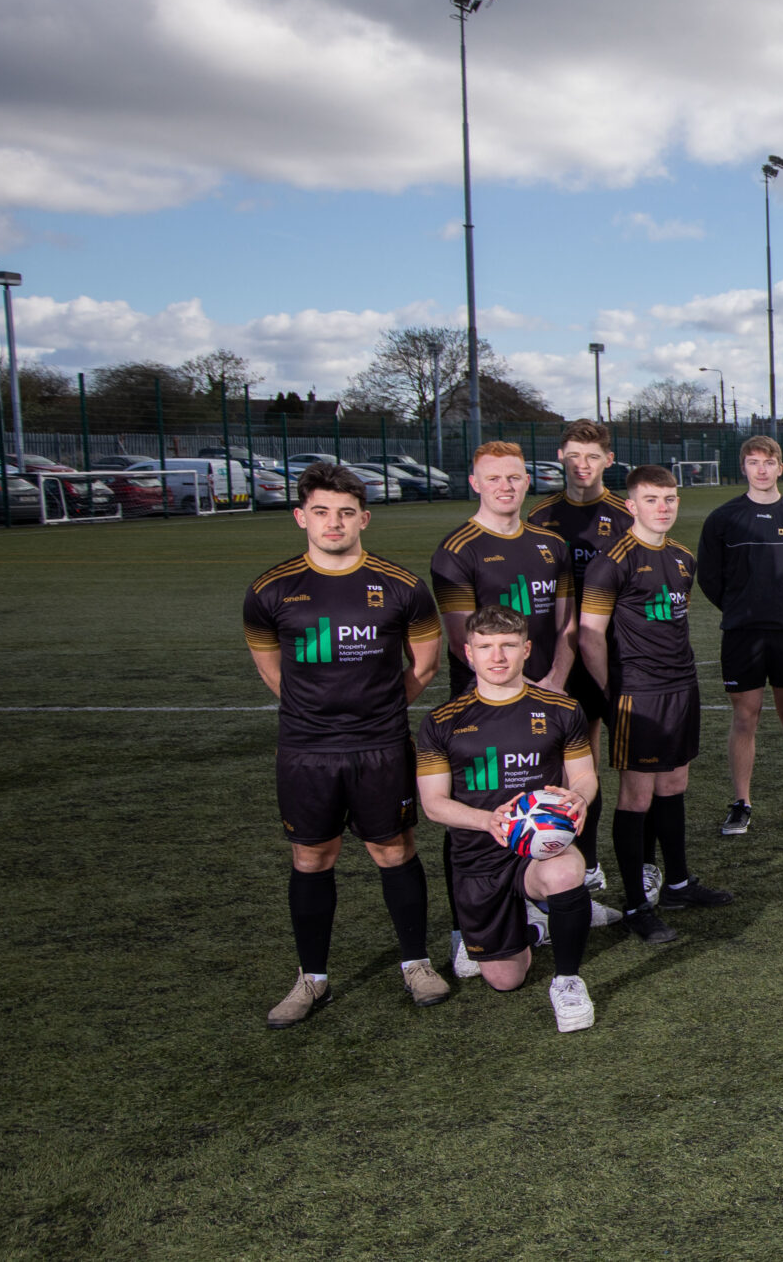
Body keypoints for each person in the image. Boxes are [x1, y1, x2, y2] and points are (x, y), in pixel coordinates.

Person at [241, 461, 448, 1026]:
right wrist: (319, 715)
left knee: (394, 850)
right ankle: (312, 978)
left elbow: (425, 666)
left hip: (379, 746)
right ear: (300, 517)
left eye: (346, 513)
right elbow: (272, 671)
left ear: (365, 519)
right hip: (306, 750)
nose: (334, 523)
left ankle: (416, 962)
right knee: (312, 856)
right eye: (322, 512)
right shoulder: (271, 589)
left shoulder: (402, 586)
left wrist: (374, 713)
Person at [431, 439, 602, 976]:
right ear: (475, 483)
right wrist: (517, 683)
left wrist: (553, 680)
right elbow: (466, 636)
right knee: (474, 814)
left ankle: (560, 894)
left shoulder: (550, 544)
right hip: (482, 703)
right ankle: (466, 929)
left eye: (516, 477)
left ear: (528, 482)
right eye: (495, 477)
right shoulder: (457, 550)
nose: (506, 486)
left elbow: (567, 624)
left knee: (562, 792)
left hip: (548, 691)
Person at [413, 604, 599, 1032]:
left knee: (567, 869)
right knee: (505, 979)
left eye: (508, 646)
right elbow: (434, 804)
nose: (497, 657)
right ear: (468, 653)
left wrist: (578, 798)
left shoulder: (560, 709)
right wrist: (488, 822)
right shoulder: (441, 722)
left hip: (539, 849)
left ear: (526, 650)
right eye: (486, 647)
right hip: (480, 857)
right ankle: (532, 927)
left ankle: (568, 981)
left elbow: (585, 776)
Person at [579, 465, 734, 943]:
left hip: (681, 687)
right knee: (637, 796)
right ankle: (633, 905)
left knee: (674, 783)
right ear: (631, 506)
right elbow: (589, 635)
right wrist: (612, 693)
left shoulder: (684, 558)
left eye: (669, 499)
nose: (662, 508)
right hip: (637, 693)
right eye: (651, 499)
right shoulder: (612, 561)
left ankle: (679, 884)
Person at [698, 436, 783, 836]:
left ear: (780, 468)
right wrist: (742, 609)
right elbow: (709, 577)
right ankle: (741, 802)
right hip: (741, 633)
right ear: (744, 467)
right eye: (753, 462)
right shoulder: (723, 519)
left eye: (768, 462)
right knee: (745, 717)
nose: (761, 469)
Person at [528, 420, 636, 896]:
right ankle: (586, 862)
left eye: (592, 456)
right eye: (573, 455)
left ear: (608, 461)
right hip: (562, 658)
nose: (582, 465)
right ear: (561, 457)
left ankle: (642, 863)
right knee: (575, 765)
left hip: (621, 655)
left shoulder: (626, 514)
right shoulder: (541, 516)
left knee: (637, 763)